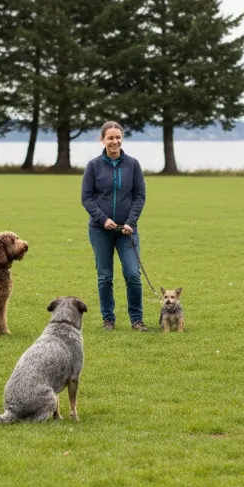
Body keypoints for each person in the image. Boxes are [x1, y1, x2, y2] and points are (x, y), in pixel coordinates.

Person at [81, 121, 148, 332]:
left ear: (122, 139)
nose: (114, 141)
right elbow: (86, 198)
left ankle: (137, 320)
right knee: (105, 276)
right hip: (100, 230)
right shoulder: (93, 166)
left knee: (132, 274)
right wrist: (103, 219)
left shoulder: (133, 164)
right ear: (102, 140)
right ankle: (108, 319)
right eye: (110, 138)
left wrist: (130, 222)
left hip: (127, 231)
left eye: (118, 137)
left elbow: (139, 196)